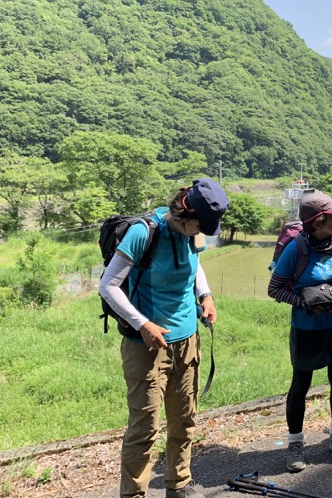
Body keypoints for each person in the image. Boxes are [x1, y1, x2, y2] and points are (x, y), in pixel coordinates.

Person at [99, 178, 230, 498]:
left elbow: (194, 264)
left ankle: (179, 484)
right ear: (185, 214)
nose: (199, 234)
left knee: (184, 419)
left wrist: (205, 295)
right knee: (144, 427)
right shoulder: (144, 233)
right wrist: (143, 324)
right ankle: (133, 493)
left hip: (188, 340)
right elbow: (108, 286)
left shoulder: (190, 234)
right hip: (145, 345)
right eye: (198, 226)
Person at [267, 190, 332, 473]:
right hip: (307, 329)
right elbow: (275, 288)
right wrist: (305, 304)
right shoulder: (295, 249)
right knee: (301, 384)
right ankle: (295, 444)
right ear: (318, 222)